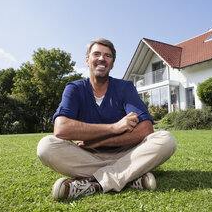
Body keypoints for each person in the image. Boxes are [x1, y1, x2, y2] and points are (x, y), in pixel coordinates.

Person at [37, 38, 177, 200]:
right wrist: (114, 128)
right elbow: (61, 129)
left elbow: (145, 129)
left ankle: (93, 184)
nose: (102, 58)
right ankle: (131, 176)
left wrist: (100, 141)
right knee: (46, 146)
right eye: (96, 54)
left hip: (126, 154)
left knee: (165, 139)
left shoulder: (125, 87)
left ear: (112, 63)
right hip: (88, 157)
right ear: (87, 60)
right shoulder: (74, 89)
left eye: (108, 56)